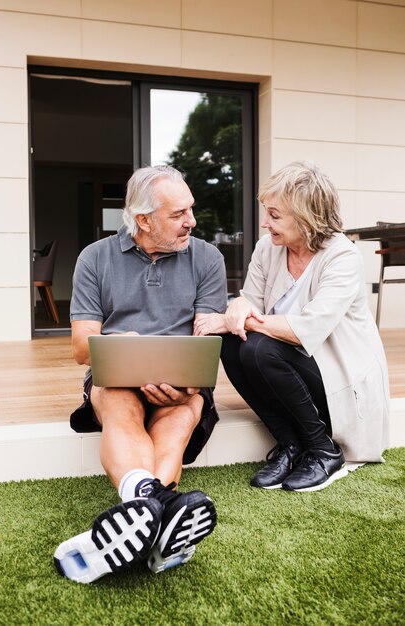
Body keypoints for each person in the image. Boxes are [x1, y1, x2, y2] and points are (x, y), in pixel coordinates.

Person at [54, 165, 227, 583]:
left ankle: (144, 513)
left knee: (178, 420)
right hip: (117, 377)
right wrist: (124, 344)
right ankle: (160, 514)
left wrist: (185, 383)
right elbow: (82, 348)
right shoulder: (95, 258)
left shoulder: (207, 258)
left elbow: (207, 339)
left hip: (182, 383)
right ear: (144, 219)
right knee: (119, 408)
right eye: (178, 214)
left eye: (191, 209)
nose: (192, 221)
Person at [195, 161, 389, 493]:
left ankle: (323, 450)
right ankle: (290, 443)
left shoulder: (342, 257)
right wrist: (236, 310)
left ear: (305, 217)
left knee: (259, 346)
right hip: (295, 372)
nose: (264, 223)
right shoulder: (267, 248)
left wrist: (237, 317)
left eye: (274, 215)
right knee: (231, 343)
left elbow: (306, 330)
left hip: (341, 381)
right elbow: (250, 301)